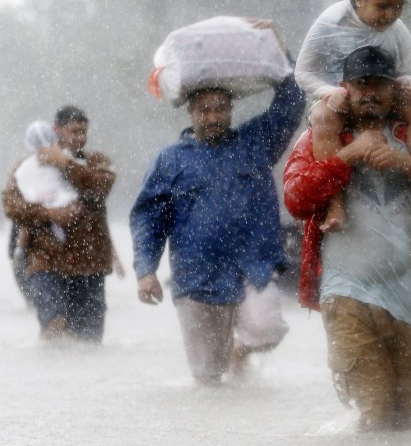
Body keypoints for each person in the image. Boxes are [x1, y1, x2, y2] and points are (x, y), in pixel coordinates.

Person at [283, 46, 411, 431]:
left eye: (379, 85)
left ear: (396, 89)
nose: (369, 93)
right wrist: (348, 155)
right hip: (346, 293)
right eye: (360, 85)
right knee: (376, 412)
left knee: (408, 421)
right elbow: (295, 199)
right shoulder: (320, 136)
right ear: (345, 89)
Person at [129, 21, 305, 385]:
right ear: (191, 113)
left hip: (251, 265)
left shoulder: (256, 142)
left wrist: (278, 47)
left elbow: (292, 101)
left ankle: (238, 354)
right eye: (205, 110)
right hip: (197, 276)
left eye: (221, 109)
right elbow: (149, 219)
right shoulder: (171, 160)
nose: (213, 117)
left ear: (231, 110)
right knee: (208, 381)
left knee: (267, 329)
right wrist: (146, 270)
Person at [295, 0, 411, 233]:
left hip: (384, 96)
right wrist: (329, 92)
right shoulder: (331, 21)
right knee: (322, 116)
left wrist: (409, 82)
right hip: (338, 97)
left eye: (398, 6)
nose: (391, 15)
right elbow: (303, 72)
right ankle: (335, 202)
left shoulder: (397, 29)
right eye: (383, 6)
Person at [2, 106, 115, 343]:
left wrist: (65, 163)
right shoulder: (27, 168)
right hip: (45, 261)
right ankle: (43, 374)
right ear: (56, 131)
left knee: (89, 341)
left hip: (89, 262)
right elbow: (11, 206)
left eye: (84, 132)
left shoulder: (96, 162)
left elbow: (98, 189)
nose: (80, 138)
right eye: (74, 132)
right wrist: (49, 214)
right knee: (54, 323)